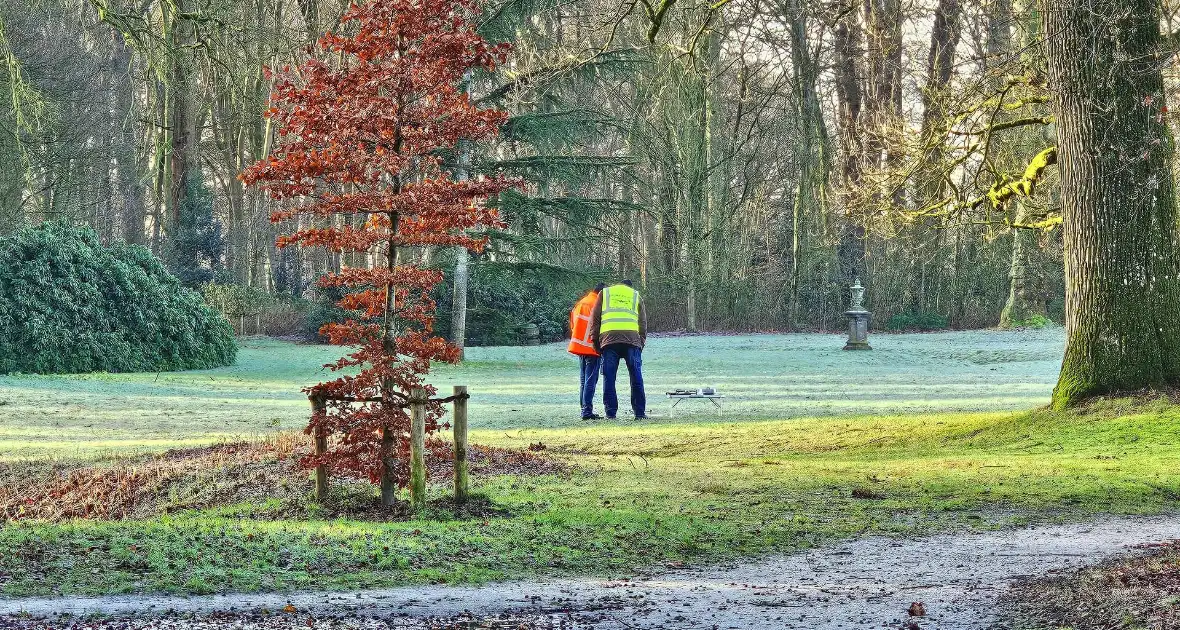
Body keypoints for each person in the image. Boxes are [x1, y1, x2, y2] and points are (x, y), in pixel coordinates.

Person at [589, 279, 647, 419]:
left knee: (609, 377)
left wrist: (595, 341)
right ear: (629, 287)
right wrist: (641, 342)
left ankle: (611, 412)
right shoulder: (635, 295)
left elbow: (595, 318)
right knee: (636, 376)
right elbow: (642, 322)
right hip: (632, 340)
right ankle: (639, 413)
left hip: (609, 340)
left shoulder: (605, 293)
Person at [568, 283, 605, 419]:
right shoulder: (597, 304)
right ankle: (587, 411)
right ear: (601, 293)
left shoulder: (581, 303)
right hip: (592, 347)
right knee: (591, 380)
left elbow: (573, 325)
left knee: (583, 380)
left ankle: (583, 408)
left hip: (579, 347)